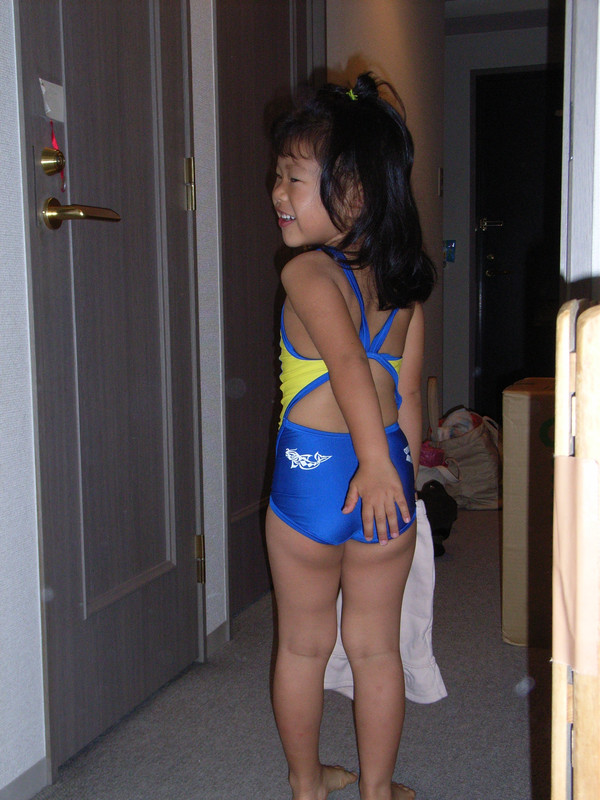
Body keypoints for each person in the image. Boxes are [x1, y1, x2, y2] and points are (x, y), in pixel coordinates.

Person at [266, 72, 436, 800]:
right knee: (375, 650)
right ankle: (376, 788)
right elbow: (406, 398)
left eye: (294, 178)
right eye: (279, 176)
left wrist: (369, 461)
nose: (277, 192)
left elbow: (343, 366)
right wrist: (398, 477)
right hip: (386, 477)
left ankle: (308, 784)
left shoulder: (307, 273)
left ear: (356, 193)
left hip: (316, 478)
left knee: (304, 645)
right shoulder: (405, 291)